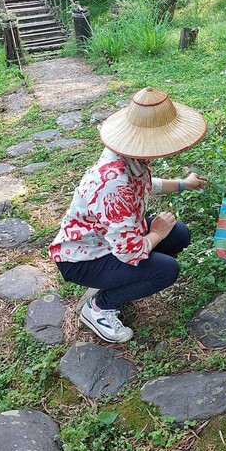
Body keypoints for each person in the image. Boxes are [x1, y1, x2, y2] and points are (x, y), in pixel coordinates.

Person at [49, 87, 208, 343]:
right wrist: (156, 232)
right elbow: (130, 250)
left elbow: (147, 183)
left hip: (107, 239)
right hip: (83, 259)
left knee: (179, 234)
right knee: (166, 270)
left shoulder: (129, 157)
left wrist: (183, 183)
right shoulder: (115, 184)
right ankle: (100, 306)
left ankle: (120, 279)